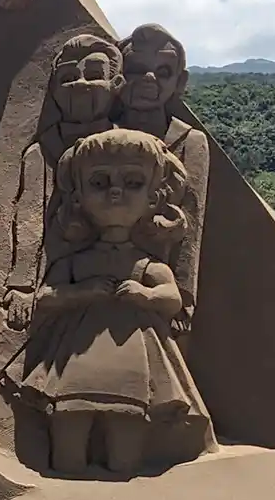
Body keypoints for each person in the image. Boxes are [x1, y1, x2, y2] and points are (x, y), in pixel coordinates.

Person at [14, 128, 213, 474]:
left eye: (133, 182)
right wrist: (82, 292)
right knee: (69, 421)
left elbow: (171, 298)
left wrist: (147, 294)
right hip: (75, 364)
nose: (115, 191)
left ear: (154, 198)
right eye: (99, 182)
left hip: (132, 364)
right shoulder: (77, 262)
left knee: (128, 421)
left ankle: (122, 483)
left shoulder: (147, 264)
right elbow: (46, 297)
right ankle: (69, 482)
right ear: (77, 198)